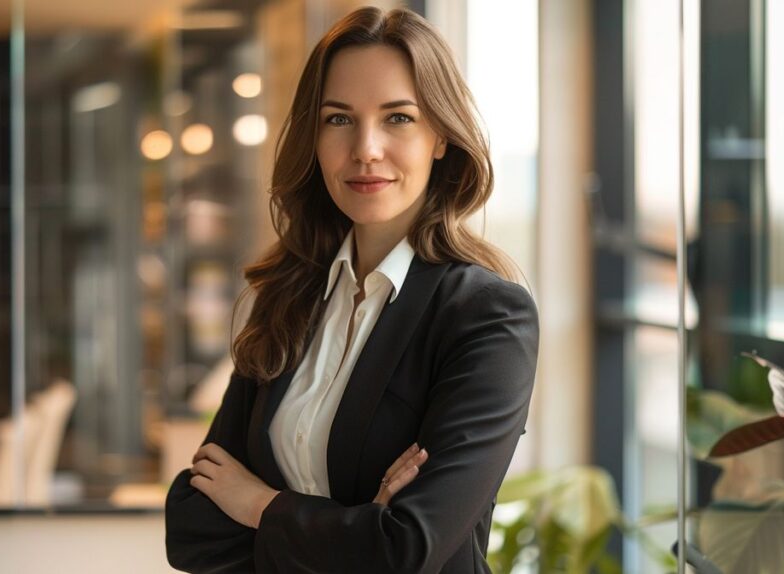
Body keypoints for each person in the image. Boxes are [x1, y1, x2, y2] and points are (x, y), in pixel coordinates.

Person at [165, 6, 538, 573]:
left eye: (398, 118)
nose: (365, 148)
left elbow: (406, 548)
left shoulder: (486, 316)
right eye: (338, 119)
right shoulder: (287, 297)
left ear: (440, 136)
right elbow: (191, 529)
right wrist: (357, 528)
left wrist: (260, 505)